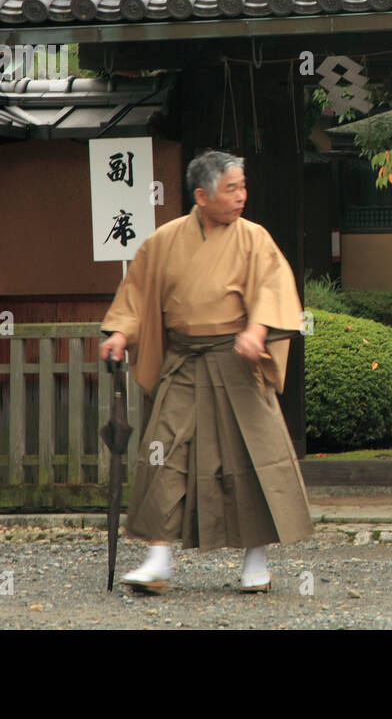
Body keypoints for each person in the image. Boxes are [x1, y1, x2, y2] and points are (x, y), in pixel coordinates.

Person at [98, 150, 314, 594]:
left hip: (236, 359)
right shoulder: (165, 240)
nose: (241, 197)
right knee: (163, 453)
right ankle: (158, 560)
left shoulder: (254, 238)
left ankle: (256, 560)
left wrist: (256, 329)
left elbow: (274, 286)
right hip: (182, 361)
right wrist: (120, 331)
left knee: (251, 458)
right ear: (201, 195)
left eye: (243, 187)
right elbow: (137, 292)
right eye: (231, 188)